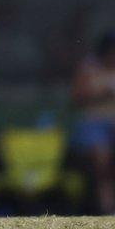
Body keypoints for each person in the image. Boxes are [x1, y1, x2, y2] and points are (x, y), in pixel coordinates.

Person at [71, 31, 115, 214]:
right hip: (95, 123)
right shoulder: (89, 68)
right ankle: (108, 209)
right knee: (103, 161)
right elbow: (76, 99)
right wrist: (100, 94)